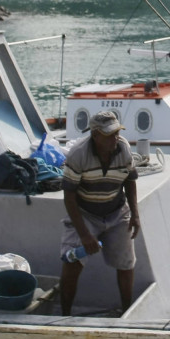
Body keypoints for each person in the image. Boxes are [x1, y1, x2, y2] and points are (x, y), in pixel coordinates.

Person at [58, 109, 141, 315]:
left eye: (116, 132)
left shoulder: (123, 149)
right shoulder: (78, 155)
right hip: (85, 213)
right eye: (109, 134)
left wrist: (135, 215)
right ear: (95, 135)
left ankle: (126, 311)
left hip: (117, 211)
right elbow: (69, 197)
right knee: (72, 262)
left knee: (126, 264)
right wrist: (85, 235)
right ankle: (65, 315)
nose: (115, 138)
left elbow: (130, 181)